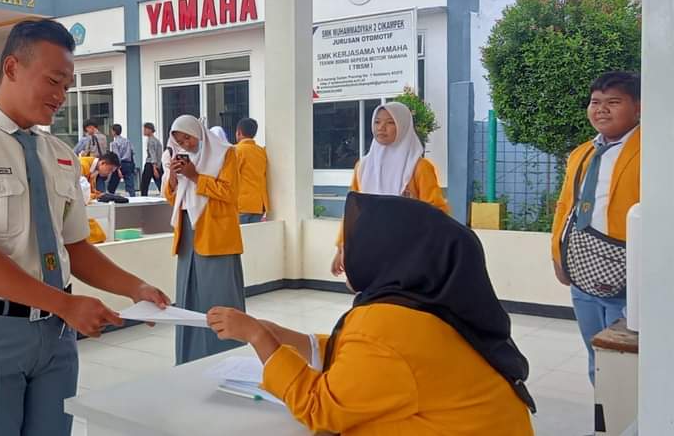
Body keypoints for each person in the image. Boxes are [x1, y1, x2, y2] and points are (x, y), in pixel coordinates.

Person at [0, 19, 169, 436]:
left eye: (67, 85)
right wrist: (65, 304)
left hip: (55, 335)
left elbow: (76, 246)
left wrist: (134, 287)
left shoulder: (60, 155)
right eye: (54, 81)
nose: (61, 96)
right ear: (12, 68)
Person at [207, 193, 536, 435]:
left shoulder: (386, 325)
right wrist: (287, 338)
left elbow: (320, 408)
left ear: (386, 249)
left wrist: (258, 337)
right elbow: (364, 359)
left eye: (353, 243)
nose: (346, 253)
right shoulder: (422, 306)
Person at [551, 71, 640, 385]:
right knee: (596, 357)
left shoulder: (653, 151)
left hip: (630, 276)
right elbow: (565, 209)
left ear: (638, 108)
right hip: (583, 273)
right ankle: (603, 426)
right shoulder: (582, 153)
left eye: (613, 102)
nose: (601, 109)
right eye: (595, 102)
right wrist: (558, 258)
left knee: (628, 363)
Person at [331, 101, 448, 276]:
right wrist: (342, 248)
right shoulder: (363, 167)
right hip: (370, 249)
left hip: (408, 252)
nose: (381, 128)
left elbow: (437, 211)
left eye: (390, 122)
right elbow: (352, 211)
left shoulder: (419, 167)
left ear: (403, 126)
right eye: (377, 122)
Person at [163, 114, 244, 364]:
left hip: (216, 235)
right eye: (179, 140)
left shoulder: (225, 154)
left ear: (198, 132)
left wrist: (196, 176)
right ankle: (189, 358)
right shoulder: (179, 159)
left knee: (218, 296)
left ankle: (225, 357)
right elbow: (171, 197)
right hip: (188, 234)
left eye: (187, 137)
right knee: (188, 296)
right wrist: (176, 177)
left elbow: (230, 193)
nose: (185, 144)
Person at [234, 118, 269, 224]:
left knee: (239, 239)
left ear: (239, 132)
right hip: (259, 204)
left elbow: (231, 177)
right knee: (253, 238)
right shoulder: (261, 152)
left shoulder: (236, 151)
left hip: (241, 204)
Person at [109, 124, 137, 196]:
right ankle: (132, 198)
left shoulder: (114, 143)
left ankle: (110, 198)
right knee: (130, 185)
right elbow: (132, 152)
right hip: (128, 163)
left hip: (120, 164)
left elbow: (116, 156)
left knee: (112, 185)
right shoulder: (127, 141)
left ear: (114, 132)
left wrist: (118, 168)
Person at [140, 122, 163, 196]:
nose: (143, 131)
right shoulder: (157, 140)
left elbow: (152, 154)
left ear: (150, 130)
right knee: (160, 182)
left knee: (144, 184)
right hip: (158, 164)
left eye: (145, 129)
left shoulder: (150, 141)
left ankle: (143, 198)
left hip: (150, 164)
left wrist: (154, 168)